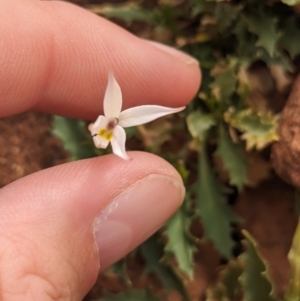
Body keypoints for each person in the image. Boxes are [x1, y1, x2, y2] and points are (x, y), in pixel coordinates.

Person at [0, 0, 201, 300]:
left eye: (106, 127)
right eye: (104, 126)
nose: (104, 128)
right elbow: (112, 117)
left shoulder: (117, 124)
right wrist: (112, 140)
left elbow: (133, 126)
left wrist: (117, 146)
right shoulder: (110, 116)